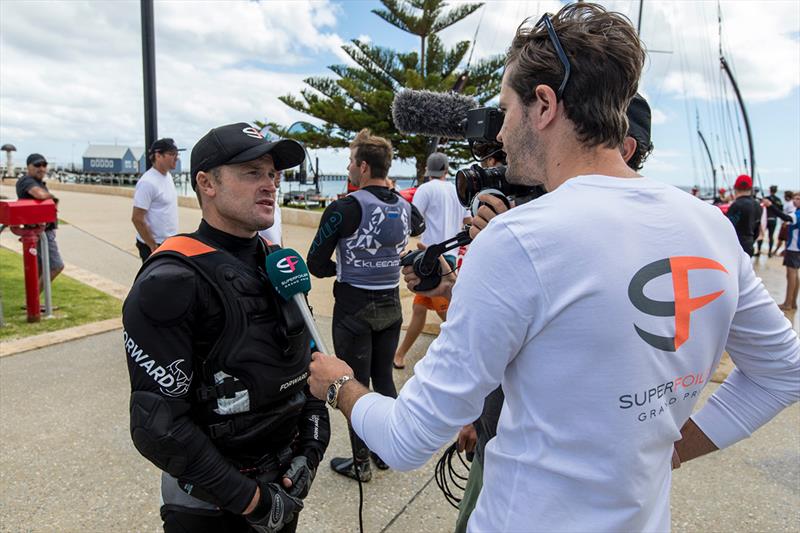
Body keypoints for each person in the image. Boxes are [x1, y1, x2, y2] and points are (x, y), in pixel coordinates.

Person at [307, 4, 800, 531]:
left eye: (506, 110)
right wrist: (668, 453)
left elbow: (407, 438)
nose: (499, 134)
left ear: (543, 105)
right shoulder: (710, 226)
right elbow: (781, 374)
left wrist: (341, 386)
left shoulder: (521, 240)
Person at [453, 91, 655, 533]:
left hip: (549, 474)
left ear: (625, 149)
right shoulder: (534, 218)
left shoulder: (614, 239)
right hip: (497, 432)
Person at [122, 123, 330, 533]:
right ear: (206, 183)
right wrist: (252, 502)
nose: (269, 185)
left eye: (273, 174)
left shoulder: (280, 263)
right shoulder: (171, 281)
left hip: (284, 488)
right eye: (252, 172)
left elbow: (310, 368)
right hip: (211, 508)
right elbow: (157, 426)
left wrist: (311, 450)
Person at [306, 128, 425, 481]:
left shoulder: (344, 208)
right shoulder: (405, 207)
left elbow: (315, 263)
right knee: (384, 380)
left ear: (361, 167)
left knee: (351, 384)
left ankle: (360, 464)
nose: (346, 169)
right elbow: (419, 225)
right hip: (391, 307)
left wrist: (344, 267)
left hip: (353, 309)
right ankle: (385, 452)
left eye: (348, 163)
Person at [393, 152, 470, 369]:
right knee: (420, 308)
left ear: (428, 170)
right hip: (450, 255)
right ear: (446, 169)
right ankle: (399, 355)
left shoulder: (425, 189)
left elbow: (414, 221)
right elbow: (467, 220)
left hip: (429, 258)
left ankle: (464, 350)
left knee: (447, 312)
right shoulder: (457, 189)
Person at [16, 153, 64, 290]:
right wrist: (53, 199)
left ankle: (34, 302)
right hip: (41, 233)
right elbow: (40, 195)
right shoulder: (27, 181)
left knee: (41, 269)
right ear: (28, 167)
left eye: (44, 165)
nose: (41, 168)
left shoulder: (37, 182)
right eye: (37, 165)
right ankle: (34, 301)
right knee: (56, 265)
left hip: (42, 231)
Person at [132, 138, 181, 262]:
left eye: (177, 154)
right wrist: (153, 246)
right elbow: (137, 218)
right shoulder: (147, 182)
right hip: (155, 245)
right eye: (171, 154)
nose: (176, 158)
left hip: (169, 242)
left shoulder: (168, 176)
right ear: (158, 155)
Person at [726, 174, 762, 256]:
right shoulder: (757, 205)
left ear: (735, 188)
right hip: (749, 244)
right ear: (751, 188)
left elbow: (728, 226)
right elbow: (757, 228)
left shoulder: (736, 205)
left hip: (735, 245)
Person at [779, 192, 800, 311]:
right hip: (797, 248)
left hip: (793, 248)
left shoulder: (797, 214)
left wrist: (771, 205)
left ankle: (788, 303)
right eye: (794, 198)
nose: (794, 201)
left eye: (798, 199)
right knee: (795, 275)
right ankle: (793, 302)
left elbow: (784, 216)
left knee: (791, 275)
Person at [258, 171, 283, 245]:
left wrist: (282, 253)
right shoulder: (258, 209)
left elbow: (279, 238)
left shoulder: (276, 207)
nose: (280, 173)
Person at [776, 190, 796, 255]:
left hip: (786, 224)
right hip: (784, 223)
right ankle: (781, 251)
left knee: (783, 238)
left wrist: (785, 222)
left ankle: (782, 251)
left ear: (787, 197)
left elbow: (790, 213)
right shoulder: (787, 203)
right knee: (782, 238)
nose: (783, 197)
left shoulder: (790, 204)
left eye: (784, 196)